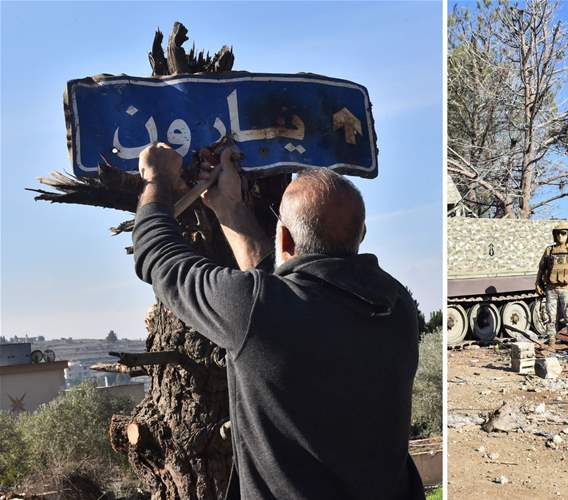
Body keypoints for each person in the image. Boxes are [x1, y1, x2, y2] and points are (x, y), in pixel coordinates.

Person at [133, 143, 424, 499]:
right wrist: (232, 210)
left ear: (283, 236)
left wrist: (158, 180)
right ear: (360, 235)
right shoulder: (398, 309)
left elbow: (159, 259)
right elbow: (293, 294)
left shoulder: (258, 311)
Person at [535, 221, 568, 356]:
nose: (560, 236)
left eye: (564, 233)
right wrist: (538, 283)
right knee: (550, 318)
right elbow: (541, 268)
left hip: (567, 289)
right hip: (551, 289)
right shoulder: (549, 250)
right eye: (557, 233)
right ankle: (551, 344)